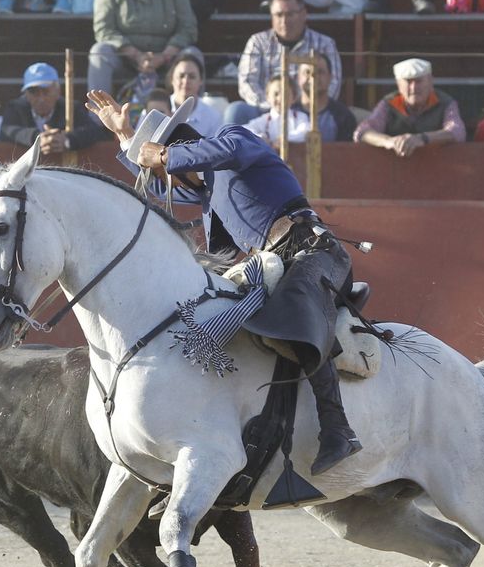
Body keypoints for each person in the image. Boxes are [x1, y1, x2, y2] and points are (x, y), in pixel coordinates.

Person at [86, 87, 362, 482]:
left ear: (180, 149)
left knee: (296, 305)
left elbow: (217, 153)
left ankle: (338, 428)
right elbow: (166, 184)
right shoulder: (207, 192)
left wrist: (162, 155)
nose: (167, 178)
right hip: (278, 265)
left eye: (169, 164)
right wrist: (125, 136)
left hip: (315, 251)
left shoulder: (235, 139)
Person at [227, 0, 342, 127]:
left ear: (304, 14)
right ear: (271, 17)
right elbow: (247, 82)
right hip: (267, 110)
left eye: (290, 14)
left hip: (309, 112)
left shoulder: (324, 43)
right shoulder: (258, 42)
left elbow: (333, 83)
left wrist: (301, 107)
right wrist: (273, 106)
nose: (284, 21)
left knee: (329, 119)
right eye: (279, 15)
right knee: (235, 111)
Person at [355, 57, 464, 154]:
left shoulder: (445, 102)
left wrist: (422, 139)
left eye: (419, 81)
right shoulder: (389, 103)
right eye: (408, 82)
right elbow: (363, 131)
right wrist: (389, 141)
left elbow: (457, 131)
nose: (413, 88)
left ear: (431, 81)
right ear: (398, 84)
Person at [0, 60, 109, 152]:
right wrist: (37, 138)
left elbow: (95, 132)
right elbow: (6, 132)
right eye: (34, 92)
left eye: (46, 91)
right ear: (26, 95)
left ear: (57, 91)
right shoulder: (15, 107)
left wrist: (67, 140)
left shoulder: (71, 107)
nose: (41, 98)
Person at [296, 52, 354, 142]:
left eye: (320, 72)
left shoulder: (343, 116)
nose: (313, 77)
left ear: (330, 77)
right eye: (307, 72)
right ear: (298, 77)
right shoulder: (287, 112)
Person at [166, 50, 224, 134]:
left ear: (201, 81)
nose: (186, 81)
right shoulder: (156, 109)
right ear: (171, 78)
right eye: (181, 76)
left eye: (192, 77)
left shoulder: (213, 117)